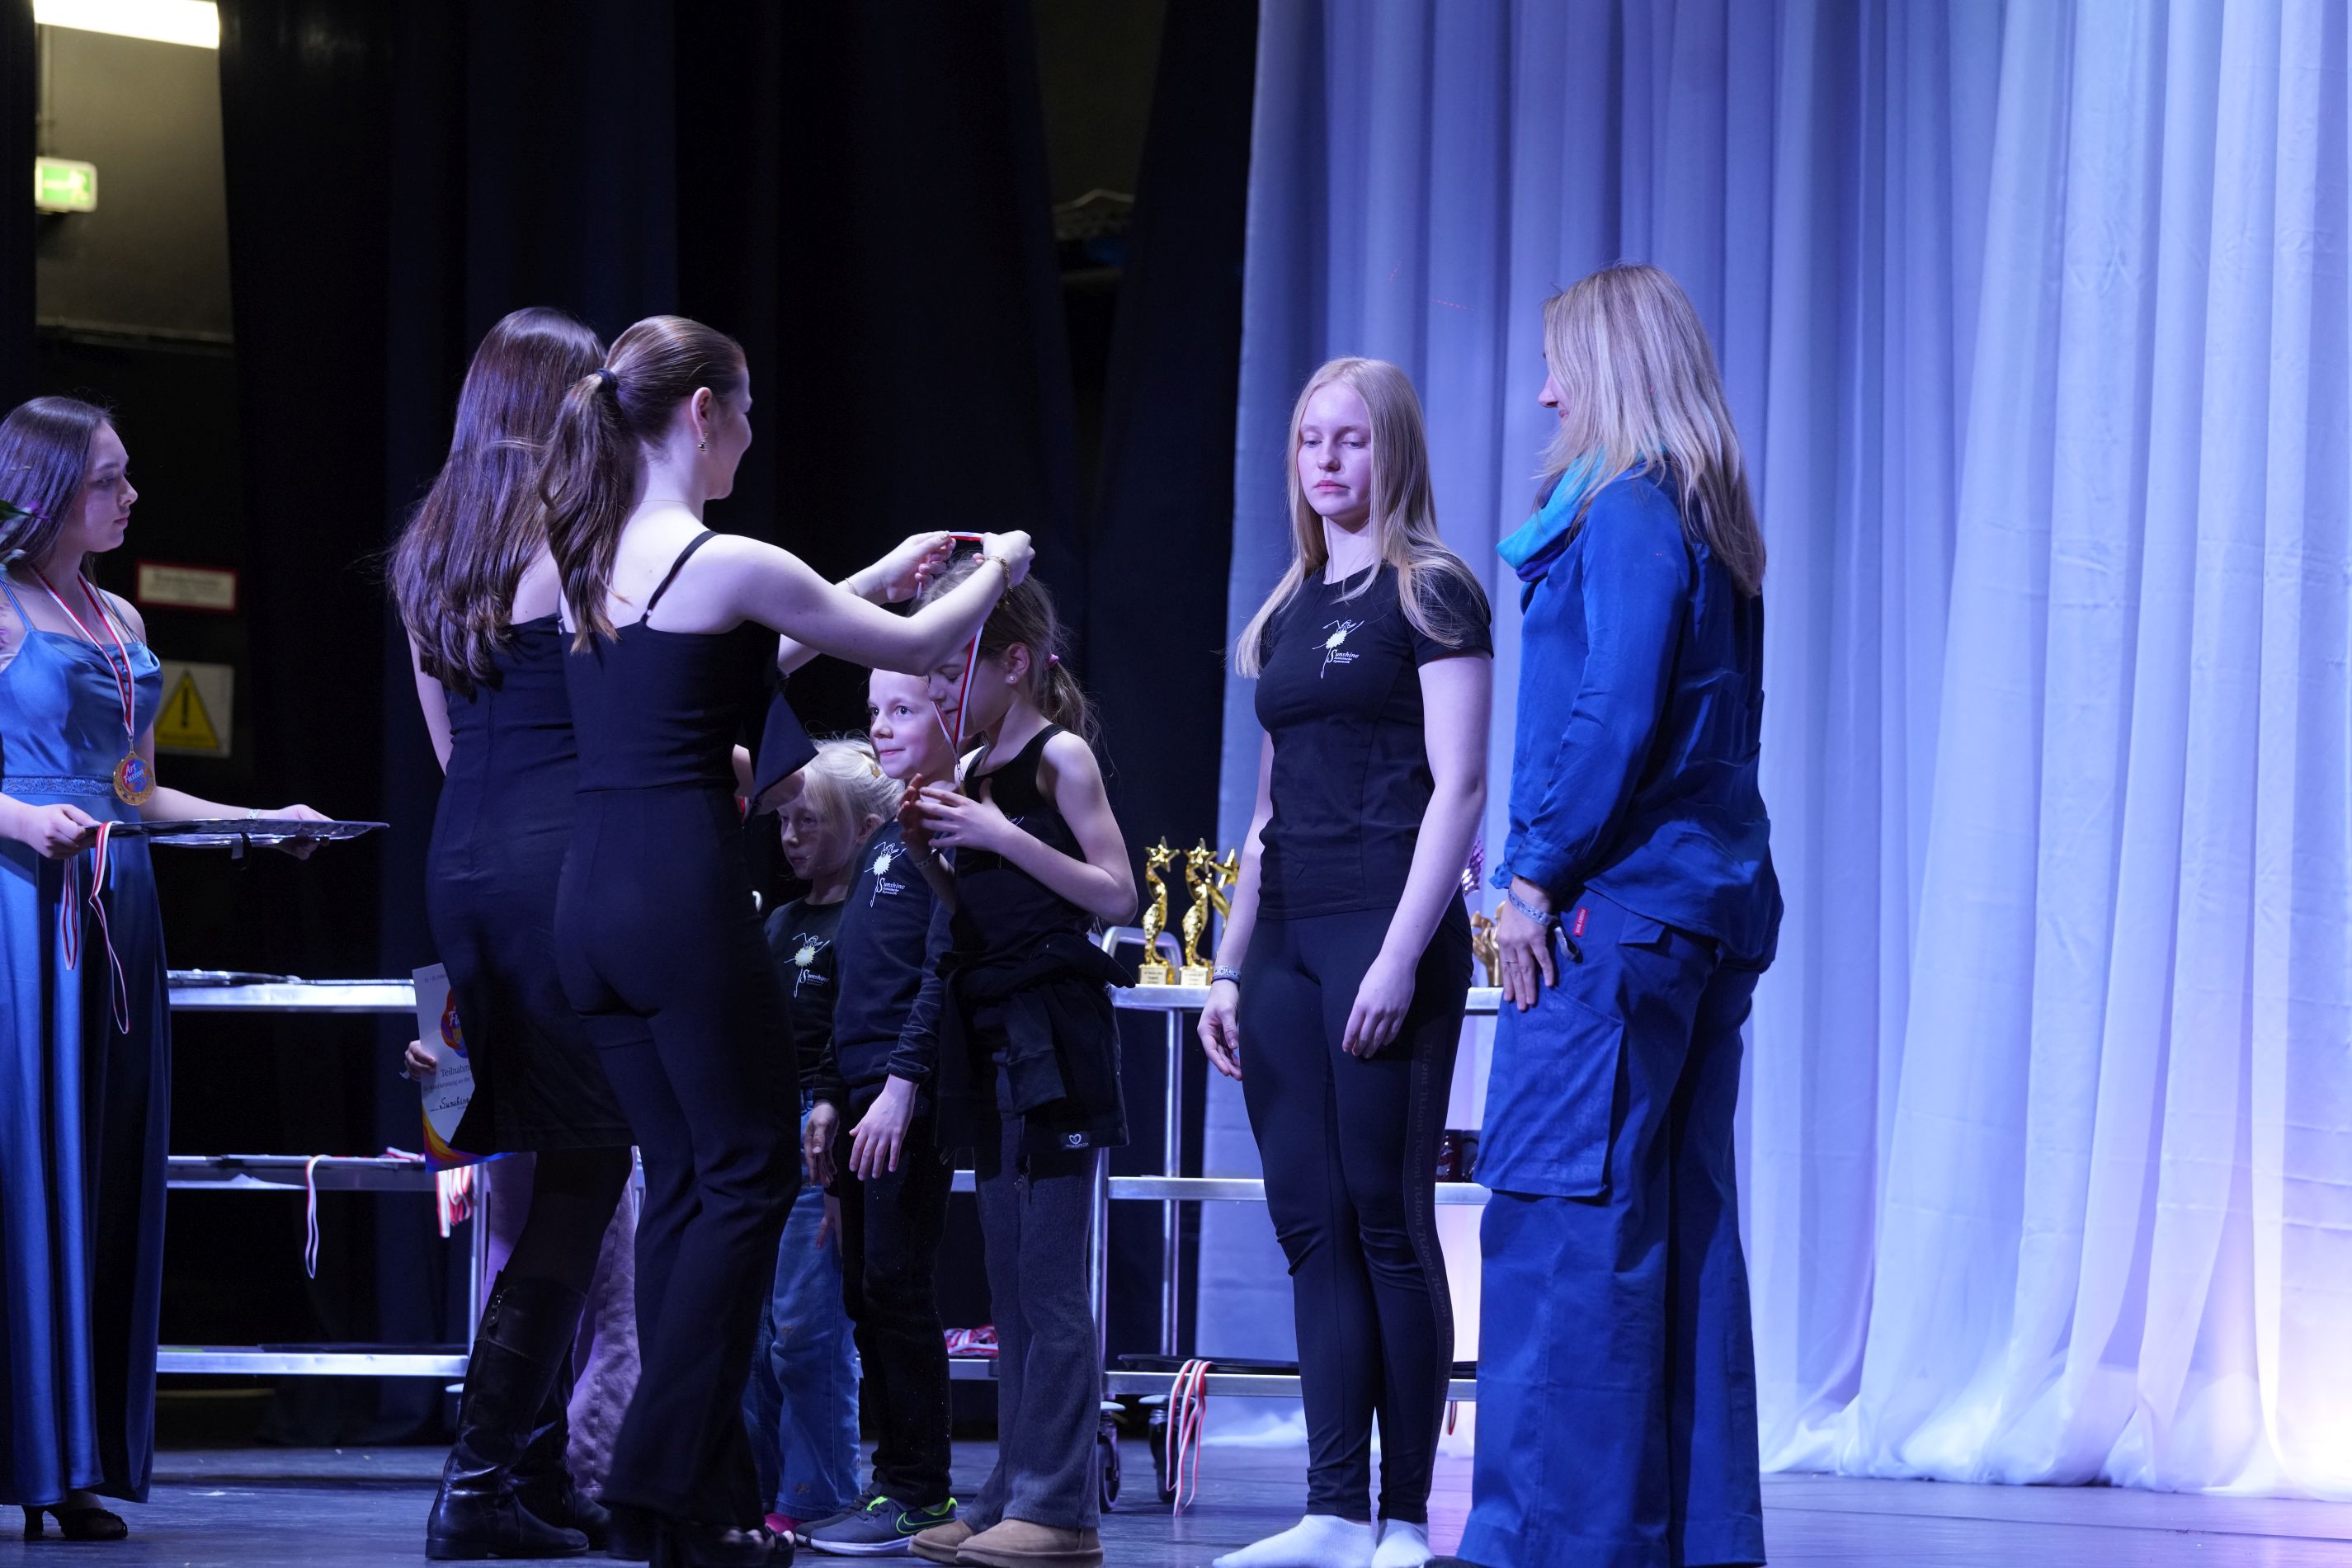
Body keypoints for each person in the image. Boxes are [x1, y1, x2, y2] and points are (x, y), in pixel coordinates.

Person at [540, 313, 1027, 1568]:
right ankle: (658, 1482)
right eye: (744, 409)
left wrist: (884, 567)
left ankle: (687, 1502)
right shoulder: (723, 557)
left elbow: (753, 645)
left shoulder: (588, 558)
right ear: (701, 411)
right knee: (751, 1172)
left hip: (588, 901)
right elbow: (917, 646)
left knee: (688, 1181)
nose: (751, 435)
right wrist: (1000, 564)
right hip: (675, 893)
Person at [1437, 263, 1779, 1568]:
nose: (1543, 395)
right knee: (1672, 1238)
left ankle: (1547, 1547)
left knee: (1563, 1234)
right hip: (1694, 911)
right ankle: (1682, 1542)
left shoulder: (1629, 510)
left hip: (1611, 918)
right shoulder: (1705, 520)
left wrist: (1531, 876)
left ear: (1610, 371)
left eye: (1559, 367)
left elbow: (1611, 714)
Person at [0, 397, 326, 1542]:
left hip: (117, 899)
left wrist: (259, 820)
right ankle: (29, 1450)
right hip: (24, 900)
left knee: (103, 1163)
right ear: (49, 489)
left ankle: (73, 1460)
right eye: (110, 478)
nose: (132, 495)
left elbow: (137, 792)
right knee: (29, 1160)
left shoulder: (120, 613)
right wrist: (16, 817)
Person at [1196, 359, 1491, 1568]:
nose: (1326, 460)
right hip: (1285, 942)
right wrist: (1227, 965)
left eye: (1351, 439)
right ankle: (1328, 1508)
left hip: (1384, 924)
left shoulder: (1431, 591)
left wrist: (1399, 954)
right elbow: (1267, 813)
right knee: (1311, 1226)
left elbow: (1459, 788)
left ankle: (1404, 1515)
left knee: (1386, 1220)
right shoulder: (1288, 607)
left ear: (1392, 450)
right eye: (1311, 439)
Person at [389, 308, 642, 1560]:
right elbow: (619, 726)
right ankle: (480, 1481)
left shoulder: (430, 551)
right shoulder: (576, 535)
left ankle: (530, 1473)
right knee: (586, 1166)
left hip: (462, 872)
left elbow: (451, 749)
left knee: (522, 1169)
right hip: (555, 870)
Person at [898, 558, 1135, 1568]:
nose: (939, 685)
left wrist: (999, 830)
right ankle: (1009, 1488)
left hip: (1055, 1039)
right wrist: (930, 852)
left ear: (1015, 661)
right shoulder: (971, 765)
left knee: (1050, 1285)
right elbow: (979, 912)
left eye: (954, 664)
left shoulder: (1057, 755)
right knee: (1007, 1281)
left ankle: (1062, 1506)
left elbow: (1114, 892)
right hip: (991, 1035)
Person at [795, 671, 963, 1557]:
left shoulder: (950, 823)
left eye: (902, 708)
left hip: (906, 1097)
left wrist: (902, 1083)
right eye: (874, 713)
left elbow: (942, 969)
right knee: (866, 1290)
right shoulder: (889, 835)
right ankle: (893, 1480)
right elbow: (853, 977)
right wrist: (830, 1090)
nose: (882, 727)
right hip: (860, 1095)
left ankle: (919, 1492)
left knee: (897, 1286)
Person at [743, 742, 897, 1542]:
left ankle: (819, 1492)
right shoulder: (778, 919)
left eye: (810, 821)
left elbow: (859, 1032)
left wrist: (832, 1131)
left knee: (808, 1328)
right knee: (754, 1331)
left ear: (865, 830)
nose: (791, 836)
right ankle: (753, 1490)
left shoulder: (867, 920)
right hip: (764, 1127)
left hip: (821, 1131)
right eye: (785, 822)